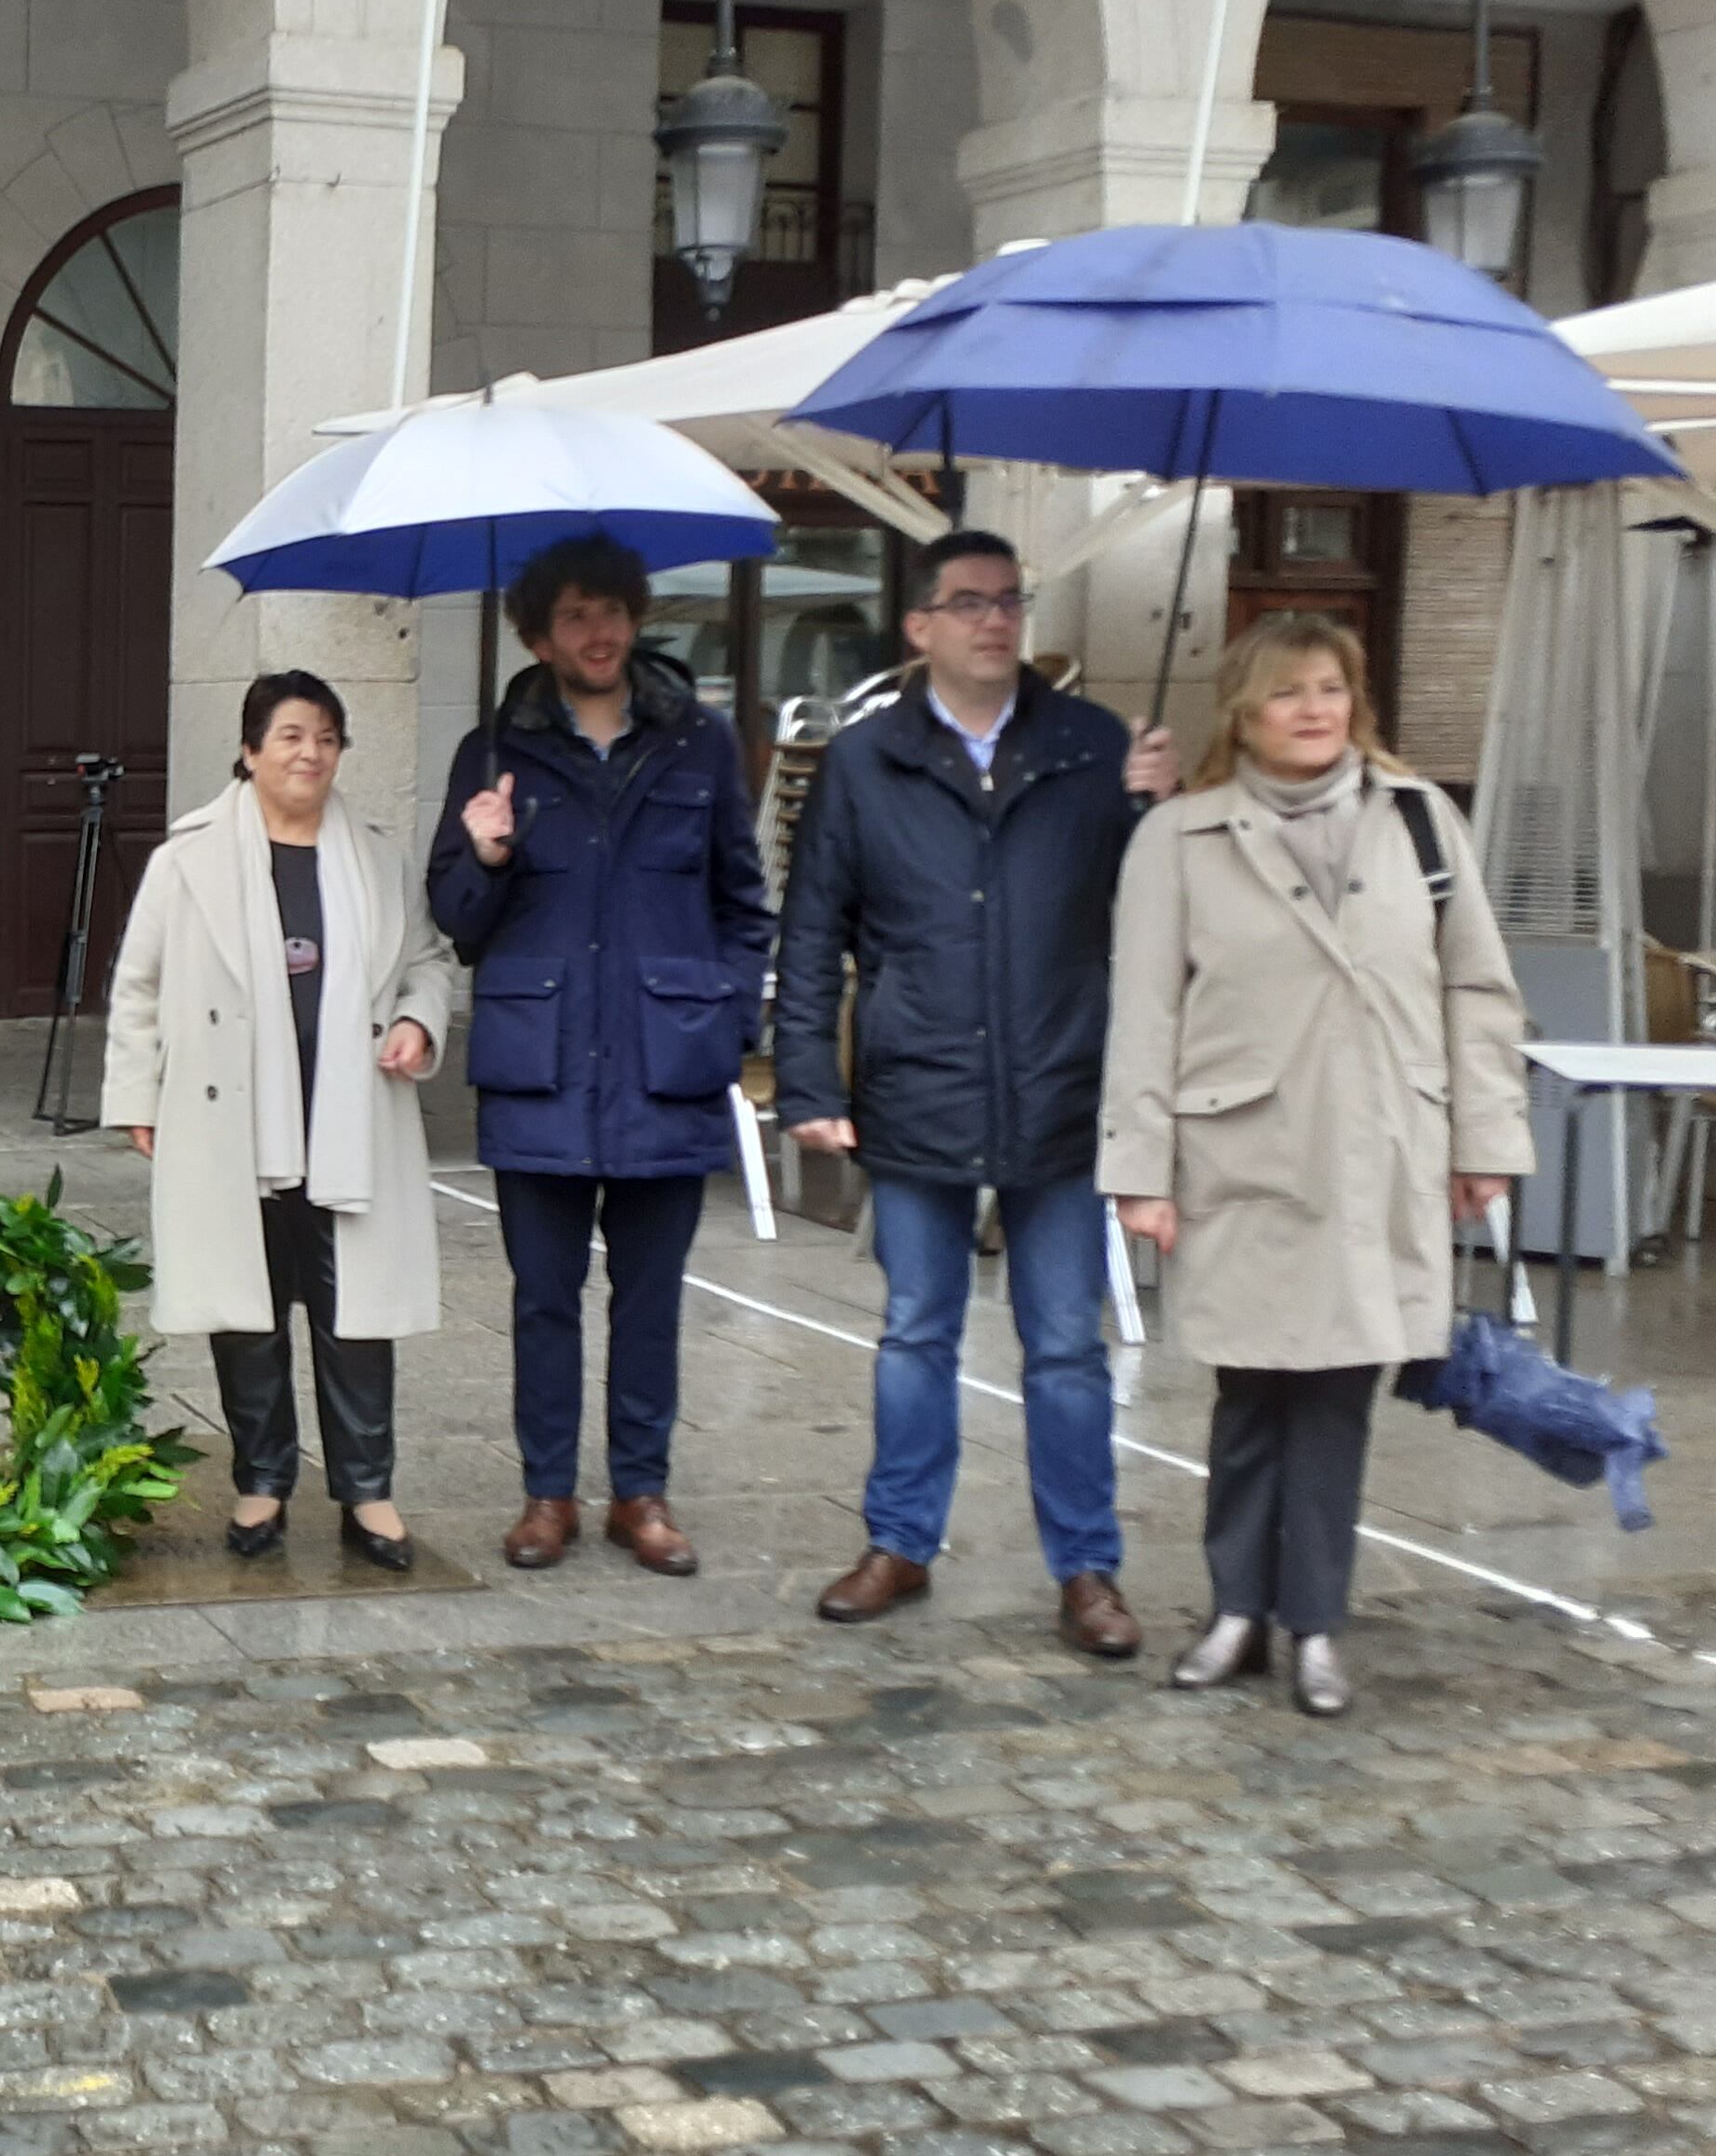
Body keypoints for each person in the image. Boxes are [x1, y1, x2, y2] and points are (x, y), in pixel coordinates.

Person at [1101, 613, 1529, 1718]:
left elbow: (1476, 987)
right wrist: (1138, 1171)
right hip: (1242, 1152)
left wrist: (1484, 1137)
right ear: (1243, 707)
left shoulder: (1421, 822)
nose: (1313, 710)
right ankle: (1238, 1608)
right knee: (1250, 1393)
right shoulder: (1181, 836)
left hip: (1382, 1150)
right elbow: (1144, 1013)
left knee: (1341, 1395)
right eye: (1288, 691)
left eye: (1331, 689)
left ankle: (1318, 1624)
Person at [773, 528, 1176, 1662]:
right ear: (920, 627)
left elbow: (1154, 909)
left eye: (1011, 600)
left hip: (1060, 1089)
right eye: (969, 603)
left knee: (1066, 1345)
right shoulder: (865, 760)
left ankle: (1087, 1569)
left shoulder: (1096, 748)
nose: (995, 620)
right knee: (914, 1333)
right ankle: (899, 1544)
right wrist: (808, 1073)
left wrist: (1163, 807)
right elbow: (815, 930)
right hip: (918, 1086)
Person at [429, 532, 772, 1577]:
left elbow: (743, 905)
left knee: (651, 1294)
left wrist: (722, 1026)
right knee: (542, 1296)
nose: (599, 632)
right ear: (536, 634)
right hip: (540, 1065)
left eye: (613, 611)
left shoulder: (699, 743)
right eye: (574, 615)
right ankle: (546, 1495)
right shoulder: (491, 754)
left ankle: (641, 1490)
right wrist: (485, 852)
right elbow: (456, 919)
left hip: (665, 1065)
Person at [104, 674, 456, 1567]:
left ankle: (368, 1492)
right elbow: (138, 987)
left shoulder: (376, 856)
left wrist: (418, 1019)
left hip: (351, 1119)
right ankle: (262, 1481)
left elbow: (427, 961)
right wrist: (137, 1096)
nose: (311, 754)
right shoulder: (188, 859)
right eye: (292, 736)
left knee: (355, 1312)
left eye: (328, 738)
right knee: (247, 1312)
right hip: (233, 1124)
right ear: (251, 749)